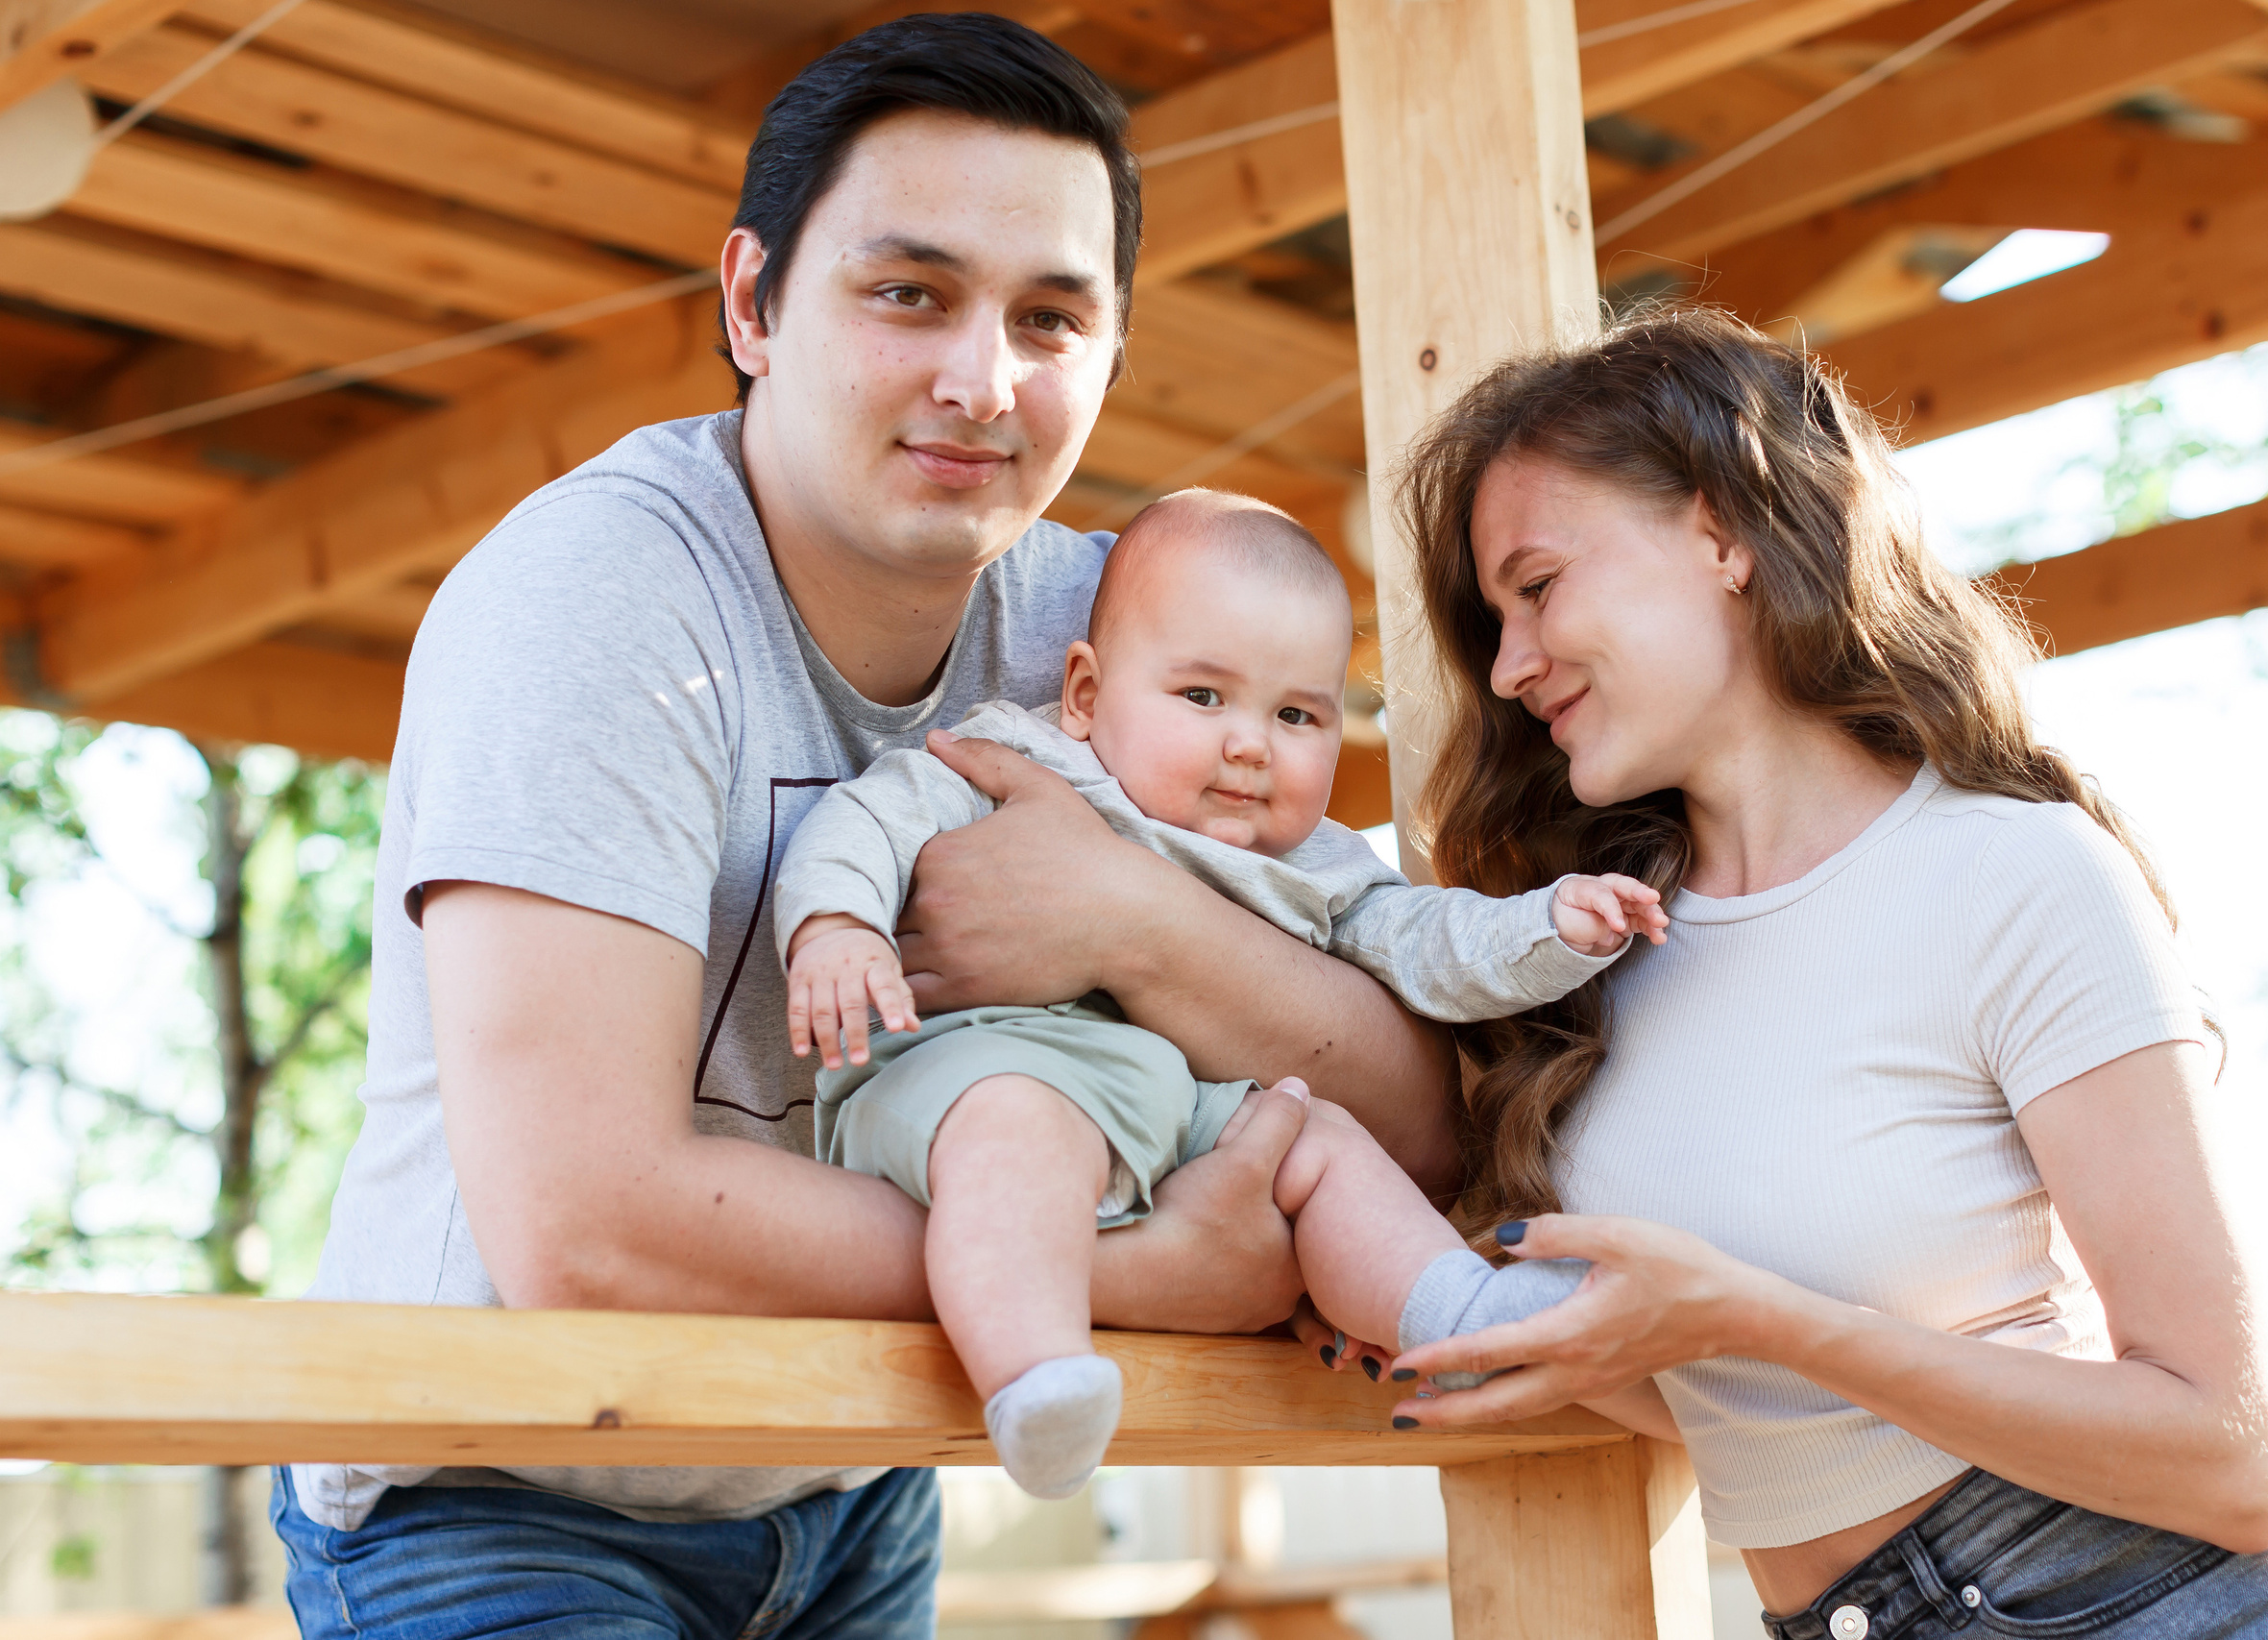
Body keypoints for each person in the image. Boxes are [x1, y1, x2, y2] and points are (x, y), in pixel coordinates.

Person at [270, 18, 1460, 1640]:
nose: (982, 380)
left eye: (1051, 317)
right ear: (752, 304)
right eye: (911, 293)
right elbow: (591, 1222)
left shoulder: (1116, 641)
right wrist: (1143, 1277)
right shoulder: (599, 603)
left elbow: (1418, 1111)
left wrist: (1130, 921)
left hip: (843, 1483)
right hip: (498, 1489)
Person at [1365, 306, 2268, 1640]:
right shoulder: (1590, 951)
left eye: (1536, 587)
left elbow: (2224, 1455)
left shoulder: (2016, 876)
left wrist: (1763, 1319)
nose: (1514, 664)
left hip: (2151, 1598)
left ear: (1722, 535)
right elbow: (1729, 1402)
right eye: (1494, 622)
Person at [772, 487, 1666, 1498]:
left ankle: (1460, 1319)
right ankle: (1036, 1376)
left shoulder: (1324, 865)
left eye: (1295, 715)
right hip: (983, 1067)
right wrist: (838, 925)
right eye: (1202, 698)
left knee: (1315, 1141)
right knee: (1022, 1128)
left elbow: (1429, 944)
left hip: (1182, 1115)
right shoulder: (1022, 759)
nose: (1250, 743)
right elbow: (869, 819)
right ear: (1083, 693)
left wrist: (1546, 927)